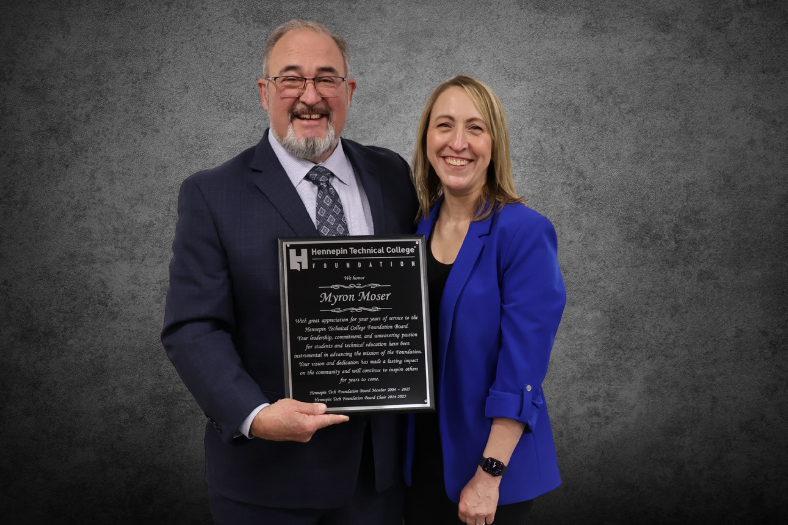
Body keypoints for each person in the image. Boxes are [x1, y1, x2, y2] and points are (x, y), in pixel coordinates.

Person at [161, 20, 418, 524]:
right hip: (267, 481)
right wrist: (255, 416)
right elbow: (193, 328)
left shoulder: (392, 174)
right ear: (264, 92)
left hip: (377, 480)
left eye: (326, 78)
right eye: (291, 78)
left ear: (349, 91)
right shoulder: (213, 194)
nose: (310, 95)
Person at [402, 75, 566, 525]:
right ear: (426, 138)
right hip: (419, 465)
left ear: (494, 143)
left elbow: (522, 368)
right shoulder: (413, 230)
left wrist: (489, 474)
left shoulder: (523, 232)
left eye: (475, 128)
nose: (458, 142)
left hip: (490, 472)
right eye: (444, 126)